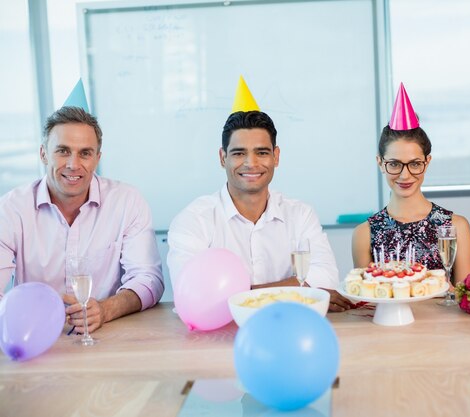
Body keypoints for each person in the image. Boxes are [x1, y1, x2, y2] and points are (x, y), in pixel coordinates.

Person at [167, 77, 352, 312]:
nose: (251, 163)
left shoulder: (300, 214)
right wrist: (296, 289)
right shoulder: (194, 220)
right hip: (218, 340)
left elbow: (325, 279)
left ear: (276, 156)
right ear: (223, 158)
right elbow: (192, 294)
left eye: (261, 152)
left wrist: (238, 296)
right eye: (238, 153)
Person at [0, 106, 164, 333]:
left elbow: (149, 280)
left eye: (85, 153)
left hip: (107, 334)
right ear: (43, 154)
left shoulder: (127, 201)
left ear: (97, 158)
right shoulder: (10, 209)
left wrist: (106, 310)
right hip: (34, 337)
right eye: (63, 151)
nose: (73, 164)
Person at [352, 83, 470, 284]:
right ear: (380, 163)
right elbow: (367, 301)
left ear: (427, 162)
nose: (405, 175)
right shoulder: (364, 234)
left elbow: (465, 298)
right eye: (394, 164)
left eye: (415, 164)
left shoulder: (455, 227)